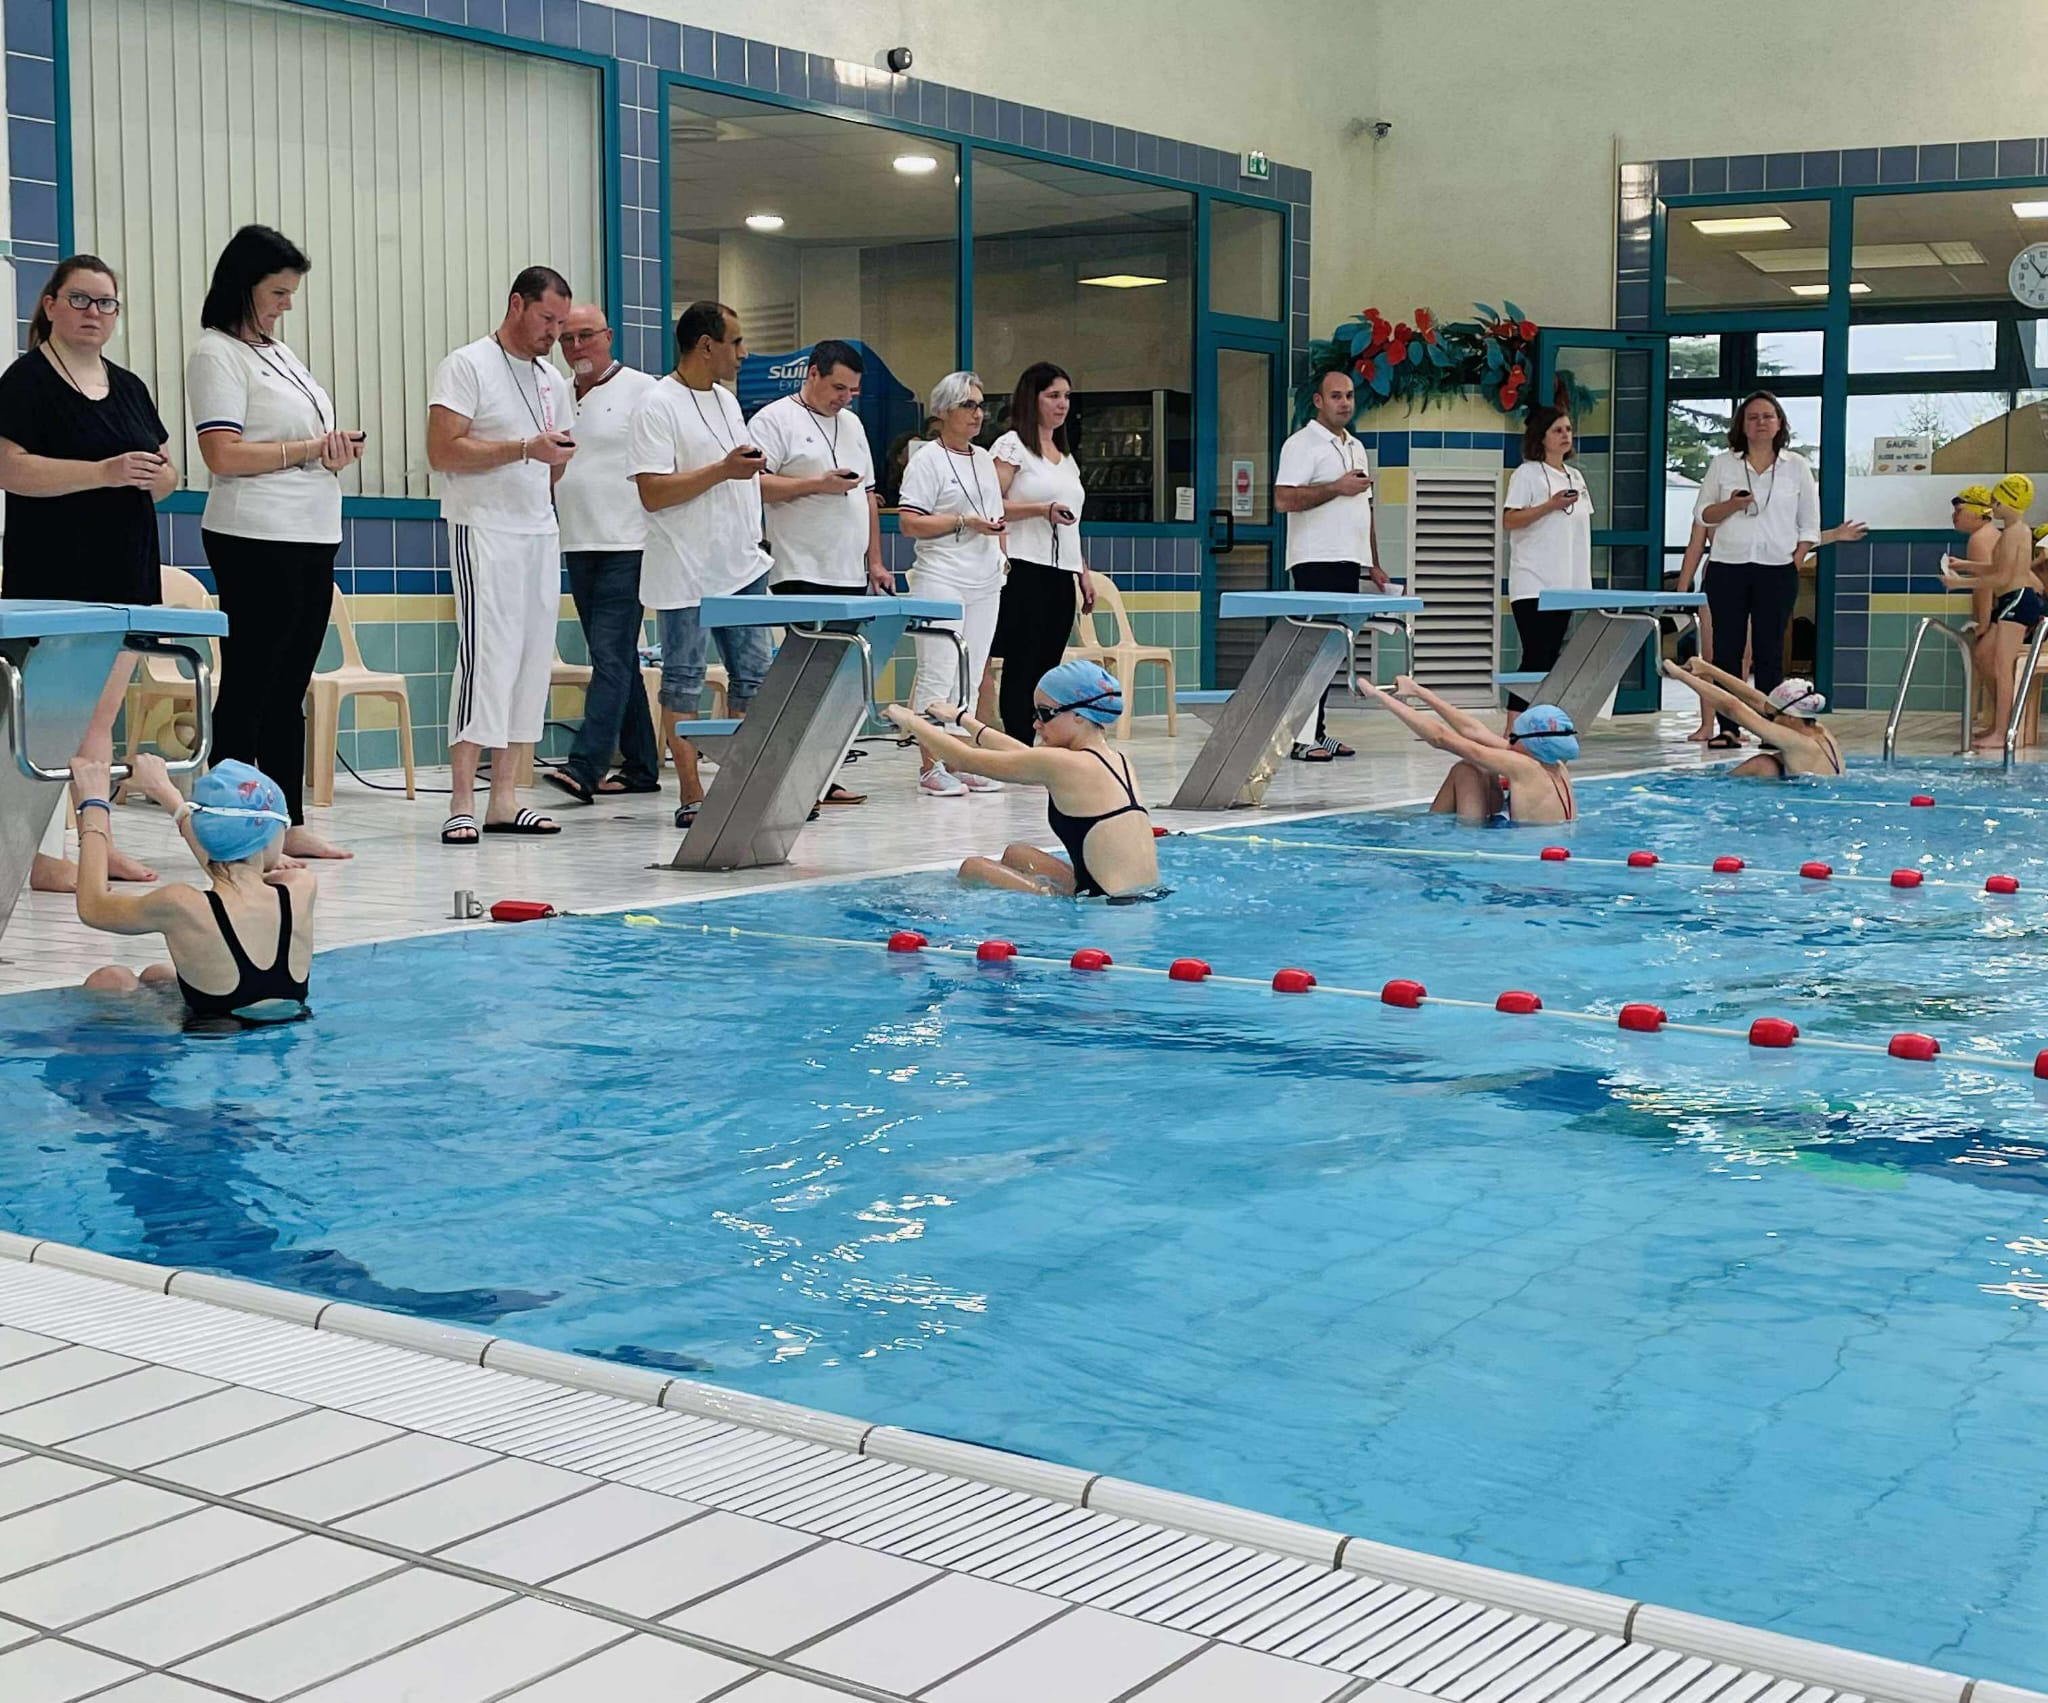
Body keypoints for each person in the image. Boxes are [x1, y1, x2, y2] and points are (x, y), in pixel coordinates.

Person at [187, 225, 364, 862]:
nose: (287, 305)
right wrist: (310, 449)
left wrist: (330, 453)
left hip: (312, 531)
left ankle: (287, 821)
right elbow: (223, 454)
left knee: (290, 686)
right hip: (255, 535)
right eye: (278, 293)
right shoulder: (216, 353)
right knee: (251, 683)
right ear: (245, 286)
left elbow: (297, 444)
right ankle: (231, 825)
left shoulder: (279, 352)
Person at [0, 254, 176, 893]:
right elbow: (9, 469)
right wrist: (101, 473)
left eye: (106, 303)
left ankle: (94, 849)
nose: (93, 313)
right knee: (50, 723)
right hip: (54, 577)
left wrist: (156, 476)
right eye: (80, 299)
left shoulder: (128, 386)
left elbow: (166, 475)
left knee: (99, 721)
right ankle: (37, 856)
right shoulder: (26, 381)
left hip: (125, 573)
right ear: (50, 305)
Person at [426, 265, 577, 844]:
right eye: (546, 319)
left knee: (530, 660)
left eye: (562, 323)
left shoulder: (553, 380)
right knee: (485, 656)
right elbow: (443, 451)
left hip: (538, 529)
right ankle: (462, 800)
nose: (554, 333)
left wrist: (542, 457)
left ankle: (505, 799)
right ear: (517, 304)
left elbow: (557, 462)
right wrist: (522, 449)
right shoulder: (467, 365)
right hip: (483, 528)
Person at [628, 300, 777, 829]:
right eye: (736, 342)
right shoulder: (656, 405)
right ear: (706, 345)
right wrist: (722, 470)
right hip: (685, 567)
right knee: (683, 681)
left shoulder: (727, 401)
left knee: (755, 679)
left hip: (741, 563)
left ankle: (741, 788)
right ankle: (691, 792)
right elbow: (652, 493)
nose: (744, 353)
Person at [68, 750, 315, 1022]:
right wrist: (164, 792)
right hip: (287, 1029)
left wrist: (94, 804)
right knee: (159, 975)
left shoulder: (182, 905)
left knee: (111, 979)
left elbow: (92, 906)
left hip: (212, 1040)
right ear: (270, 835)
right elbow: (231, 871)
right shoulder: (300, 888)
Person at [883, 660, 1162, 900]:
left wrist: (912, 722)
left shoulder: (1066, 764)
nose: (1036, 724)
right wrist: (961, 719)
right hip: (1138, 896)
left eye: (1044, 714)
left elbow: (965, 759)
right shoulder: (1116, 760)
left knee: (973, 868)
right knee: (1017, 854)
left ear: (1079, 716)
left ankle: (1049, 899)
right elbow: (1025, 756)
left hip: (1105, 910)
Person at [751, 338, 889, 807]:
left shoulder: (852, 424)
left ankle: (822, 775)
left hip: (848, 570)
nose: (844, 399)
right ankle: (788, 777)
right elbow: (755, 486)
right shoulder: (774, 420)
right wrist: (816, 485)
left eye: (852, 391)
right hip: (800, 568)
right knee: (801, 681)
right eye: (837, 388)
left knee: (835, 683)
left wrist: (875, 560)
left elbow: (868, 496)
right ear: (812, 374)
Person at [542, 302, 660, 806]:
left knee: (609, 656)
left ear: (608, 336)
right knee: (618, 658)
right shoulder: (557, 393)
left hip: (628, 543)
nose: (576, 347)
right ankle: (641, 766)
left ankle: (585, 766)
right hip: (578, 542)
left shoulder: (643, 390)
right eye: (566, 338)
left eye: (585, 336)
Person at [1682, 391, 1819, 750]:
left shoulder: (1796, 466)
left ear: (1780, 423)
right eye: (1753, 417)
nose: (1761, 423)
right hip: (1728, 567)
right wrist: (1731, 505)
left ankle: (1771, 728)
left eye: (1768, 416)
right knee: (1726, 652)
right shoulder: (1723, 464)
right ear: (1742, 425)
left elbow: (1810, 524)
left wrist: (1796, 558)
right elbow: (1703, 515)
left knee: (1769, 652)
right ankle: (1728, 727)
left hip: (1777, 569)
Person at [897, 371, 1009, 797]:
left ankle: (959, 759)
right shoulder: (927, 460)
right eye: (968, 406)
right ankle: (930, 765)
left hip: (985, 578)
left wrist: (1002, 557)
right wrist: (964, 522)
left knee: (970, 673)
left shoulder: (982, 459)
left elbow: (997, 516)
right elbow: (910, 523)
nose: (978, 414)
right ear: (942, 412)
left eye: (981, 406)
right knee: (939, 671)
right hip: (941, 576)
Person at [1275, 367, 1390, 761]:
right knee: (1313, 649)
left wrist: (1373, 563)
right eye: (1336, 396)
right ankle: (1298, 738)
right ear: (1318, 401)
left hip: (1348, 560)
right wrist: (1336, 487)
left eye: (1349, 396)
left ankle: (1317, 731)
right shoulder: (1301, 444)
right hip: (1315, 559)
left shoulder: (1356, 446)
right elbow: (1284, 499)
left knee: (1333, 651)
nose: (1345, 403)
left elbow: (1365, 509)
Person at [988, 362, 1093, 746]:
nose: (1062, 404)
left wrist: (1082, 571)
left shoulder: (1064, 456)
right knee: (1023, 662)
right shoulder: (1012, 446)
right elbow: (989, 504)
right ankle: (1016, 742)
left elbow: (1072, 520)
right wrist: (1039, 510)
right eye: (1053, 396)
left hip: (1060, 571)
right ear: (1032, 399)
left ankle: (1040, 740)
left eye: (1066, 397)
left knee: (1048, 664)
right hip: (1024, 567)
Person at [1357, 674, 1577, 825]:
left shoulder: (1524, 767)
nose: (1508, 741)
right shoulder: (1554, 762)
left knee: (1466, 770)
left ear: (1530, 742)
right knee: (1480, 768)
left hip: (1515, 852)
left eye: (1513, 736)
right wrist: (1418, 691)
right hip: (1534, 843)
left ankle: (1435, 831)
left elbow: (1440, 738)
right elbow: (1474, 731)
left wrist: (1380, 696)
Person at [1501, 404, 1592, 714]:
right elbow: (1509, 519)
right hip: (1533, 581)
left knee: (1552, 657)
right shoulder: (1527, 474)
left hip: (1564, 583)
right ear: (1541, 437)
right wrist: (1549, 506)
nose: (1565, 435)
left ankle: (1540, 721)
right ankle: (1514, 725)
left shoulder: (1575, 476)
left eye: (1568, 429)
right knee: (1536, 655)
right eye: (1557, 430)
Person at [1941, 473, 2039, 750]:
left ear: (2007, 503)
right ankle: (2002, 727)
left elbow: (2002, 577)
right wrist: (1965, 565)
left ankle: (2005, 731)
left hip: (2016, 601)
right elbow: (1998, 568)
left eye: (1995, 502)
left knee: (2002, 669)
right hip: (2014, 599)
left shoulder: (2015, 533)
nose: (1992, 507)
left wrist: (1960, 583)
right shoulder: (2016, 531)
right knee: (1993, 662)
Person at [1661, 660, 1842, 777]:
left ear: (1791, 718)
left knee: (1761, 764)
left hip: (1805, 805)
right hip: (1811, 792)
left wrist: (1681, 675)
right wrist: (1708, 670)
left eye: (1773, 716)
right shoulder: (1818, 730)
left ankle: (1712, 791)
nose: (1771, 719)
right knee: (1767, 764)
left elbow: (1732, 708)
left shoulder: (1797, 742)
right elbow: (1757, 701)